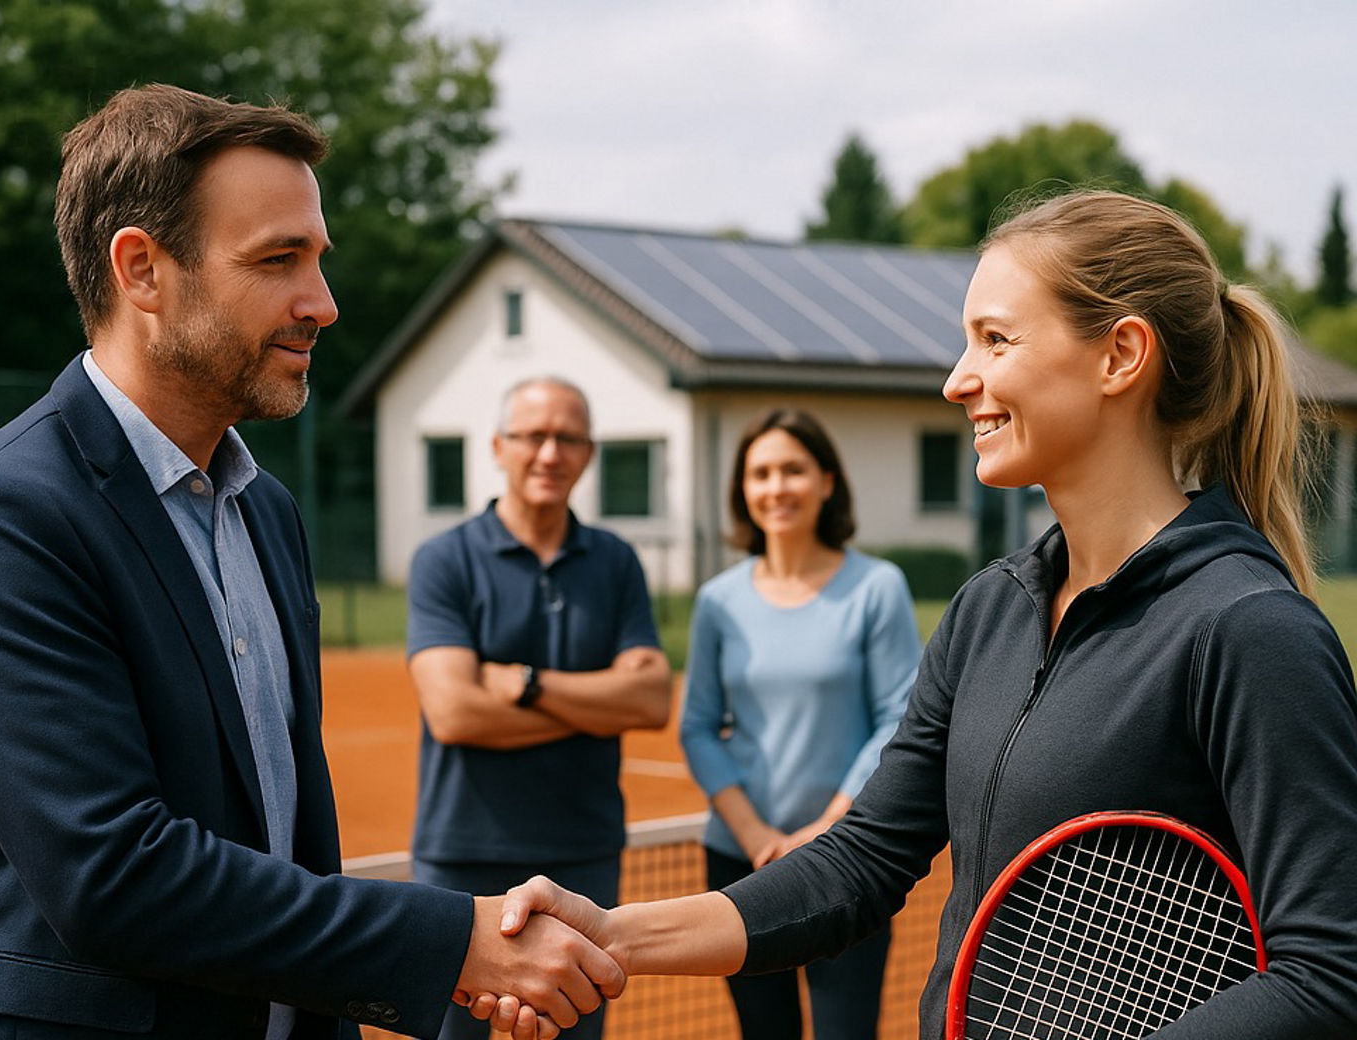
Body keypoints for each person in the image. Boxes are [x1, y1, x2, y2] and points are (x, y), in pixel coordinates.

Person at [484, 190, 1357, 1039]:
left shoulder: (1250, 629)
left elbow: (1328, 974)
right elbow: (862, 860)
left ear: (1121, 356)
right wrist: (612, 933)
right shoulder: (989, 611)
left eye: (995, 340)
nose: (956, 380)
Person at [0, 84, 622, 1040]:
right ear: (141, 269)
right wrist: (451, 944)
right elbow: (114, 876)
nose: (322, 304)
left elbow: (289, 840)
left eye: (317, 259)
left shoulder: (268, 512)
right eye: (277, 260)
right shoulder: (1, 517)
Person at [405, 376, 673, 1040]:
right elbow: (456, 714)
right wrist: (595, 703)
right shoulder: (444, 561)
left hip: (581, 852)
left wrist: (525, 684)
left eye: (568, 438)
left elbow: (650, 699)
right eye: (533, 436)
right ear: (499, 447)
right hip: (461, 858)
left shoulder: (615, 563)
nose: (550, 453)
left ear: (588, 454)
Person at [679, 408, 919, 1039]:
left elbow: (898, 718)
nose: (777, 487)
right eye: (761, 473)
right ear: (743, 491)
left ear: (827, 482)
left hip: (847, 857)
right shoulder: (717, 602)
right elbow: (698, 726)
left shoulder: (877, 587)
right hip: (740, 860)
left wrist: (824, 829)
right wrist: (756, 834)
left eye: (793, 469)